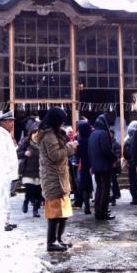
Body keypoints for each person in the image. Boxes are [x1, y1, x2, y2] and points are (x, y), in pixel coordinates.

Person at [38, 107, 78, 252]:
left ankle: (59, 239)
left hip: (60, 177)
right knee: (54, 213)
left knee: (64, 212)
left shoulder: (54, 133)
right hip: (53, 178)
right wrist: (69, 147)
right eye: (60, 122)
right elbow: (55, 155)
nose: (62, 124)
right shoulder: (48, 136)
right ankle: (51, 241)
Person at [88, 114, 117, 220]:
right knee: (105, 188)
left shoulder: (92, 134)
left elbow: (89, 152)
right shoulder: (103, 134)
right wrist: (114, 159)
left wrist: (91, 165)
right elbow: (106, 150)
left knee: (99, 188)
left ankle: (98, 211)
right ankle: (103, 212)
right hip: (104, 166)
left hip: (95, 166)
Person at [17, 123, 42, 217]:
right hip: (28, 172)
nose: (36, 135)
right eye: (34, 133)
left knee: (38, 193)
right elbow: (17, 153)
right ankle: (26, 202)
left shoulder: (43, 144)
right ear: (31, 134)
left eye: (38, 133)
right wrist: (24, 153)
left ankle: (35, 210)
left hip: (39, 172)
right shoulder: (26, 143)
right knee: (29, 191)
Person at [76, 120, 93, 214]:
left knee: (84, 186)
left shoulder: (80, 140)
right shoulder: (91, 139)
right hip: (92, 163)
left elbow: (78, 154)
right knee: (90, 185)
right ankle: (88, 206)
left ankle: (86, 205)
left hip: (83, 165)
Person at [123, 120, 137, 205]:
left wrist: (128, 160)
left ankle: (135, 198)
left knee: (133, 182)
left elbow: (125, 154)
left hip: (131, 164)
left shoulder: (127, 141)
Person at [110, 130, 122, 206]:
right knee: (112, 182)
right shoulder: (108, 143)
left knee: (113, 182)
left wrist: (115, 163)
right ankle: (115, 195)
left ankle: (114, 196)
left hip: (113, 166)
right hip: (109, 165)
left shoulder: (116, 144)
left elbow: (118, 155)